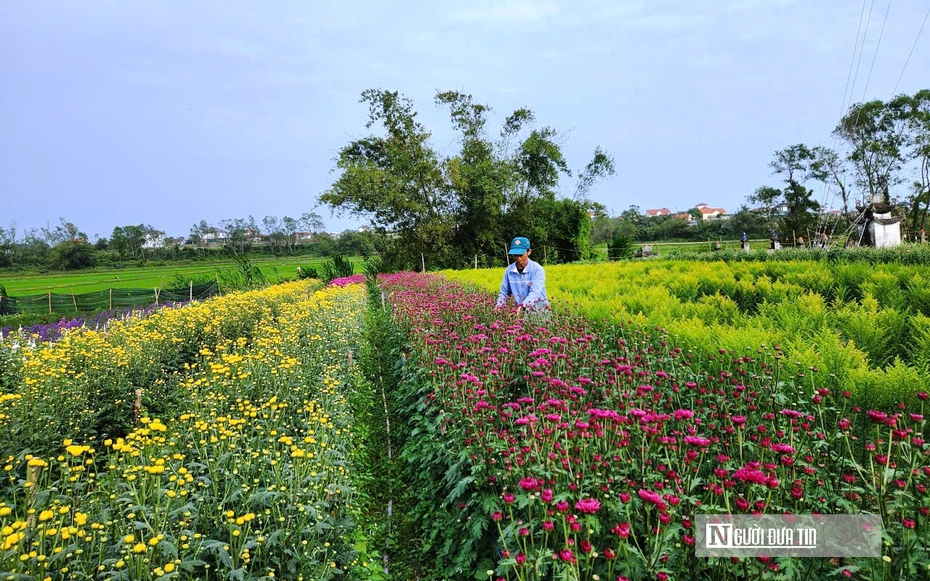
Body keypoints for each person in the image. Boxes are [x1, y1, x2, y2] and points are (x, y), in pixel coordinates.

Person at [496, 236, 549, 313]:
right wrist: (500, 304)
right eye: (515, 255)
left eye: (521, 254)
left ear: (529, 252)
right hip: (519, 311)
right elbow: (504, 291)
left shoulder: (537, 269)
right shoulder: (509, 270)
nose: (518, 258)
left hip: (538, 312)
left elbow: (535, 292)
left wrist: (523, 305)